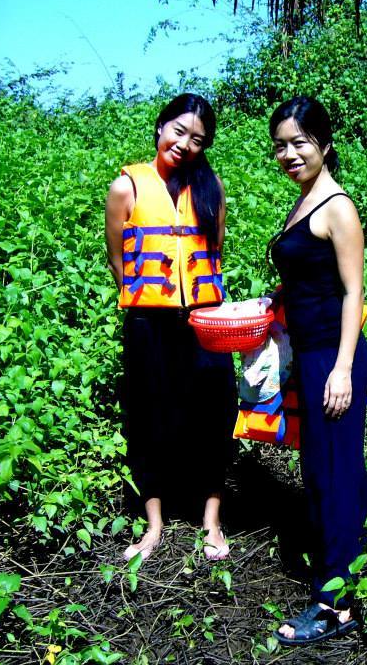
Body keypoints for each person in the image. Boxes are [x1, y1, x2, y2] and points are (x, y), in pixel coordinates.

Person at [104, 93, 236, 563]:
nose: (185, 144)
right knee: (147, 417)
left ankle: (212, 522)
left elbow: (215, 251)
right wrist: (150, 303)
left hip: (204, 320)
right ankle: (154, 524)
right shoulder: (126, 188)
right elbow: (118, 260)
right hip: (149, 323)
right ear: (161, 127)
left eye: (197, 139)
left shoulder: (211, 188)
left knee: (216, 414)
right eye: (179, 131)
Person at [267, 97, 367, 644]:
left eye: (299, 143)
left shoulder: (337, 207)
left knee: (336, 475)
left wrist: (343, 369)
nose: (288, 154)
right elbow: (308, 278)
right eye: (280, 145)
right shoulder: (303, 201)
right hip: (310, 356)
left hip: (335, 357)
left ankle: (337, 606)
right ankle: (339, 576)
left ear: (324, 145)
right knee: (320, 472)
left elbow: (353, 292)